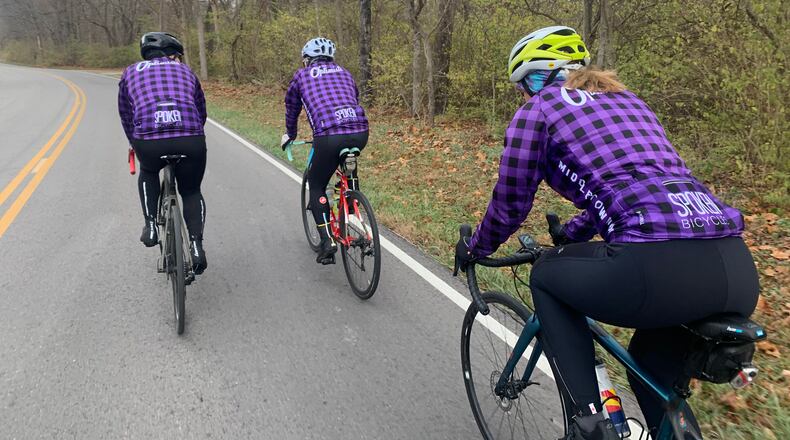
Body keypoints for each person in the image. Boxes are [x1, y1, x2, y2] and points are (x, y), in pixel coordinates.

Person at [455, 26, 759, 440]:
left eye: (522, 86)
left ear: (538, 78)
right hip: (735, 268)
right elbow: (636, 187)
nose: (523, 96)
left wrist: (475, 248)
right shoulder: (631, 102)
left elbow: (510, 203)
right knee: (652, 369)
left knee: (546, 275)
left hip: (657, 267)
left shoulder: (539, 109)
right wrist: (573, 231)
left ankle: (588, 423)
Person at [118, 32, 208, 274]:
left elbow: (126, 114)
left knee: (148, 171)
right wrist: (191, 132)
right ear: (172, 55)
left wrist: (134, 141)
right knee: (191, 190)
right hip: (190, 138)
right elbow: (201, 110)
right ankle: (196, 247)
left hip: (149, 141)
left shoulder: (130, 72)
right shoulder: (187, 71)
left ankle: (150, 226)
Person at [281, 37, 369, 265]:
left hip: (328, 135)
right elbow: (354, 98)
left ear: (307, 59)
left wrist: (290, 134)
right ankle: (352, 205)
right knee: (348, 162)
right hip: (360, 131)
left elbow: (292, 108)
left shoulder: (302, 75)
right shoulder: (345, 72)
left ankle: (327, 240)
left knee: (317, 184)